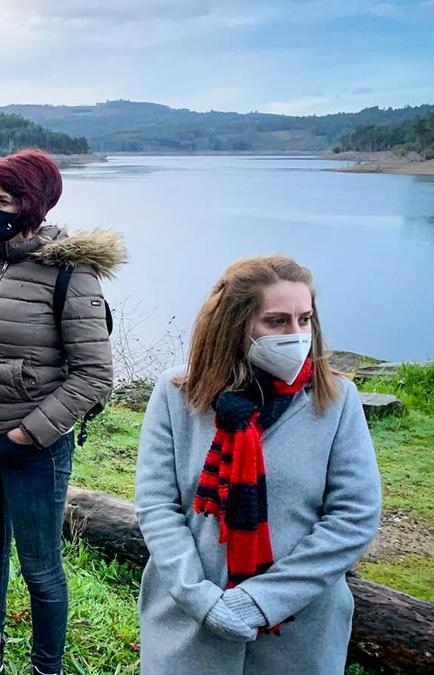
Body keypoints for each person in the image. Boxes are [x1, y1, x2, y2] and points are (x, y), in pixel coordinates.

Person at [134, 255, 382, 675]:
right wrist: (200, 599)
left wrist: (261, 600)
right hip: (189, 628)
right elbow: (157, 505)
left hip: (299, 633)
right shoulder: (177, 395)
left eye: (304, 319)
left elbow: (354, 516)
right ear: (236, 323)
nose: (296, 335)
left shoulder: (336, 400)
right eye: (277, 321)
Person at [0, 149, 125, 675]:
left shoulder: (71, 276)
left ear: (33, 206)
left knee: (40, 569)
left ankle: (46, 668)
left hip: (31, 450)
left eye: (3, 200)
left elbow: (93, 377)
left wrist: (26, 435)